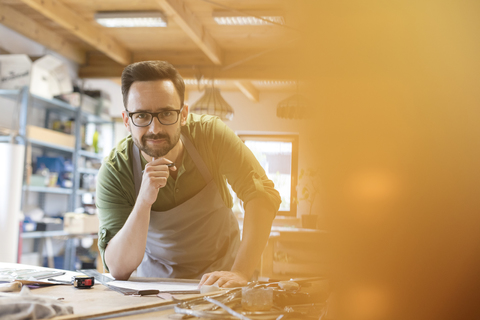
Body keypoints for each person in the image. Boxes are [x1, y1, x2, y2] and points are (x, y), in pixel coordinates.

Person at [96, 60, 281, 288]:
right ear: (126, 120)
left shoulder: (211, 137)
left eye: (166, 113)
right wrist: (143, 201)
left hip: (223, 279)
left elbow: (260, 195)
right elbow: (118, 268)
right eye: (142, 116)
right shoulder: (116, 171)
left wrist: (241, 272)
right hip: (157, 286)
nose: (155, 129)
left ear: (183, 114)